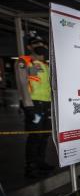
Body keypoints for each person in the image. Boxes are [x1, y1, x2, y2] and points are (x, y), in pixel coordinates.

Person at [15, 35, 53, 178]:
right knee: (35, 136)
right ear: (30, 47)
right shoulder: (24, 62)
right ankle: (31, 166)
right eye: (36, 43)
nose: (41, 45)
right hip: (33, 104)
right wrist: (27, 105)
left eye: (43, 43)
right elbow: (22, 84)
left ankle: (40, 162)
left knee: (44, 135)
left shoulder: (46, 65)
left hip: (47, 104)